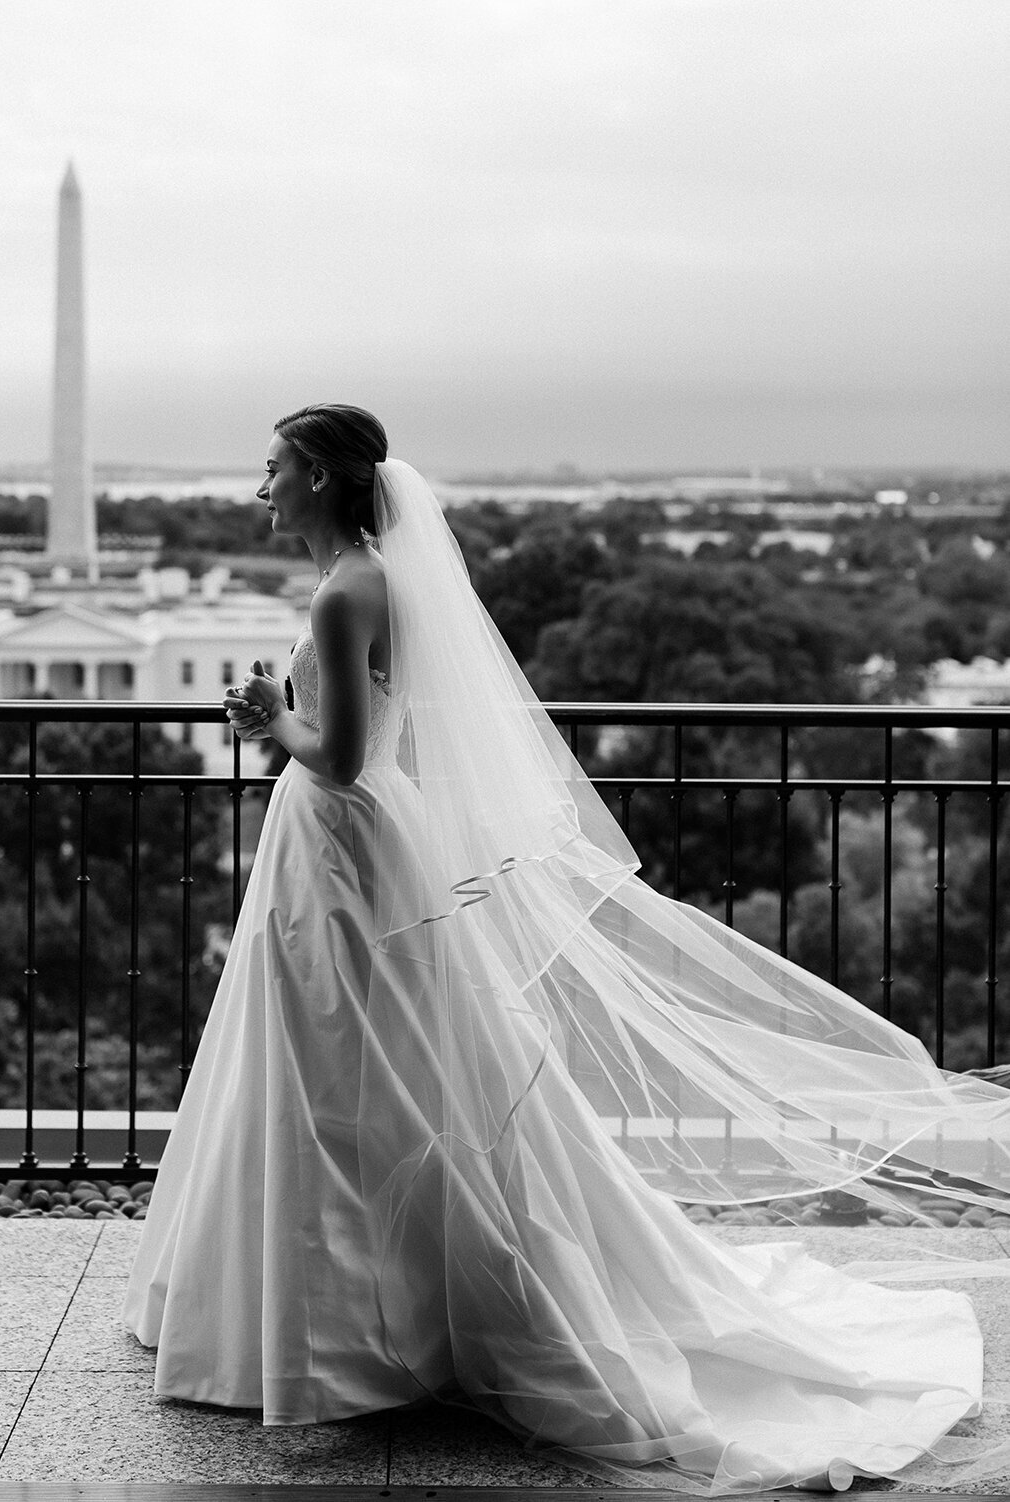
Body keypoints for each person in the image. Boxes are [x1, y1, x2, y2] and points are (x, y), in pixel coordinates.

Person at [123, 404, 1010, 1494]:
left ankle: (347, 1325)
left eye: (273, 468)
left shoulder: (349, 587)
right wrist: (285, 718)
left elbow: (344, 756)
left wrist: (270, 715)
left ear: (318, 476)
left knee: (347, 1064)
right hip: (339, 847)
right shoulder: (359, 580)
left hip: (344, 838)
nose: (259, 486)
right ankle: (331, 1311)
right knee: (350, 1063)